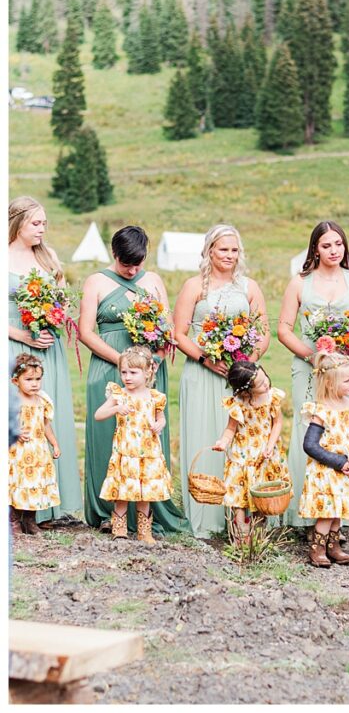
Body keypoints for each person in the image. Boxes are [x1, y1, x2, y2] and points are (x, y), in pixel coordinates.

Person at [79, 226, 188, 535]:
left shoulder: (153, 281)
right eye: (127, 264)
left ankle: (148, 512)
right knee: (108, 437)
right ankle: (108, 512)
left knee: (148, 436)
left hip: (150, 370)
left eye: (138, 263)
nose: (133, 270)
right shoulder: (96, 281)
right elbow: (86, 331)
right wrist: (124, 363)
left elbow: (167, 328)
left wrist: (153, 363)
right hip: (109, 364)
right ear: (115, 255)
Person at [173, 224, 270, 538]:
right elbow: (178, 334)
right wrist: (206, 359)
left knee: (241, 441)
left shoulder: (249, 287)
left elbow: (263, 333)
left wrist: (247, 365)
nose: (229, 255)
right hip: (202, 373)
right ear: (209, 251)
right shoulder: (194, 286)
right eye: (223, 249)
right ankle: (205, 512)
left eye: (234, 250)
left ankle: (240, 515)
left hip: (239, 376)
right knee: (207, 437)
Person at [277, 221, 349, 530]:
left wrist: (346, 351)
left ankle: (336, 521)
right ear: (315, 249)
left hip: (343, 371)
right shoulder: (299, 282)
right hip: (309, 369)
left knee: (341, 432)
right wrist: (313, 356)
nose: (334, 250)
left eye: (339, 244)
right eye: (326, 245)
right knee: (309, 434)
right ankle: (305, 516)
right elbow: (284, 330)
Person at [8, 197, 83, 524]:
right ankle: (14, 504)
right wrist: (23, 335)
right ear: (17, 222)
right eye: (36, 223)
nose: (42, 229)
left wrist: (56, 318)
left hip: (48, 350)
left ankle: (47, 505)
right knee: (18, 421)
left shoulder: (48, 256)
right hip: (15, 346)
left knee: (47, 417)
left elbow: (62, 299)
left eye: (44, 223)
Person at [94, 346, 174, 544]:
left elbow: (161, 418)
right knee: (122, 491)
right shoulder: (119, 395)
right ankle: (119, 529)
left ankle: (144, 531)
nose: (127, 377)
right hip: (125, 451)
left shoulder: (155, 397)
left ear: (148, 372)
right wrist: (116, 409)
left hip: (147, 452)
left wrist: (158, 425)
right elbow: (98, 415)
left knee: (144, 493)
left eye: (133, 373)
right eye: (124, 372)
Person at [300, 351, 349, 567]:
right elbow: (310, 445)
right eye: (348, 380)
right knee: (327, 511)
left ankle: (334, 547)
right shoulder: (321, 410)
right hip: (326, 470)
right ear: (330, 384)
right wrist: (338, 462)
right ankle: (318, 549)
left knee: (338, 509)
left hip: (346, 467)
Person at [212, 362, 286, 541]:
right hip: (242, 454)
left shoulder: (272, 397)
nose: (266, 384)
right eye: (260, 384)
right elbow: (231, 428)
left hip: (264, 455)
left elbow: (277, 423)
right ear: (246, 391)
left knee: (262, 494)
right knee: (239, 494)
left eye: (265, 378)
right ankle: (241, 533)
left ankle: (258, 533)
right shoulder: (238, 404)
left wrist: (270, 444)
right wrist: (223, 442)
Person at [8, 354, 61, 535]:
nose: (34, 384)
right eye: (29, 379)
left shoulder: (42, 401)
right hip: (19, 452)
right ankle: (14, 521)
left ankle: (30, 520)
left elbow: (45, 425)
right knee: (19, 482)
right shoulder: (13, 402)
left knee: (36, 483)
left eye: (38, 379)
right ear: (16, 380)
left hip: (38, 451)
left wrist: (54, 443)